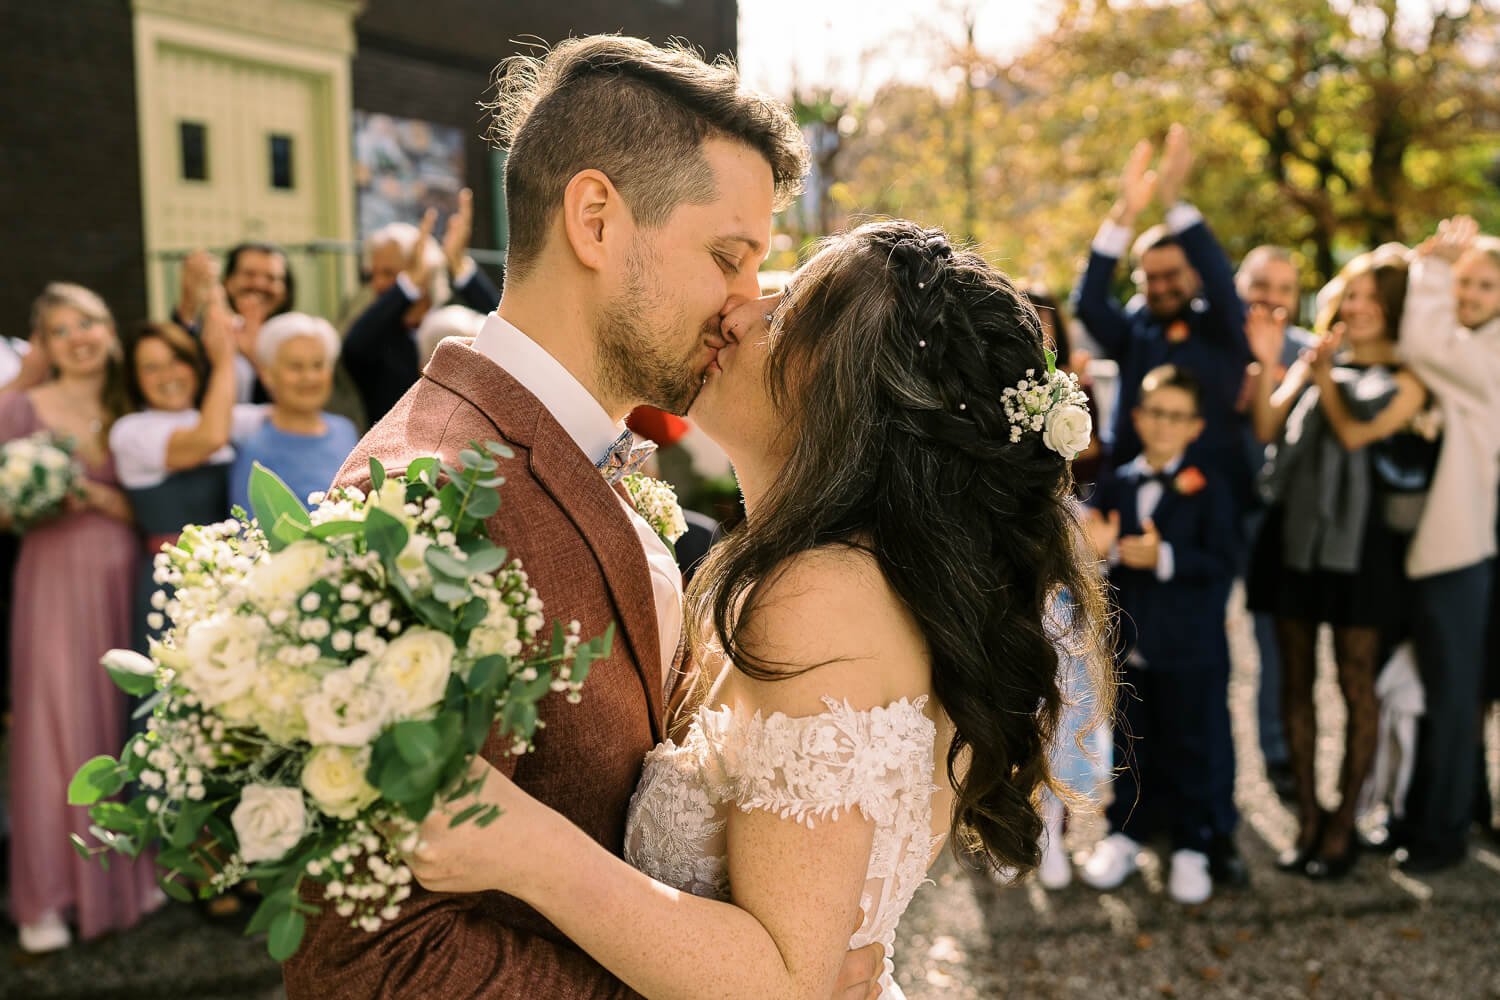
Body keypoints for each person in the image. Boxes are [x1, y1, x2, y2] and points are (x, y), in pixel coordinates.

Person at [282, 35, 897, 999]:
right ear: (597, 221)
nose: (745, 306)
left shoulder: (590, 450)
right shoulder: (425, 504)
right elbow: (364, 960)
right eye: (727, 257)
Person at [404, 219, 1109, 997]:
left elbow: (782, 982)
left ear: (850, 393)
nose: (739, 312)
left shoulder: (819, 599)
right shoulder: (852, 580)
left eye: (786, 313)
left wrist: (527, 849)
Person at [1245, 246, 1428, 880]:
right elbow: (1266, 425)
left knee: (1356, 683)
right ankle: (1308, 820)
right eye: (1353, 293)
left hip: (1362, 545)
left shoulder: (1410, 375)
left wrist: (1322, 378)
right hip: (1293, 534)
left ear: (1395, 308)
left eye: (1374, 297)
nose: (1359, 306)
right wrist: (1273, 362)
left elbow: (1353, 434)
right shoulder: (1317, 357)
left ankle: (1344, 823)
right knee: (1295, 683)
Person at [1, 283, 161, 952]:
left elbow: (151, 507)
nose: (78, 338)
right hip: (52, 582)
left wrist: (92, 495)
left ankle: (124, 877)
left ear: (109, 330)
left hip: (124, 579)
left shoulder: (134, 408)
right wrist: (31, 495)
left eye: (87, 323)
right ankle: (45, 895)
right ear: (44, 344)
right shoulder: (18, 408)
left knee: (116, 722)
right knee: (53, 725)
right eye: (61, 330)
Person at [1078, 365, 1238, 904]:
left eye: (1177, 416)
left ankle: (1193, 844)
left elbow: (1224, 561)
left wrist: (1166, 556)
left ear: (1195, 426)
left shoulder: (1211, 486)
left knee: (1193, 744)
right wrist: (1104, 552)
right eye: (1155, 413)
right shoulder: (1118, 481)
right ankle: (1125, 833)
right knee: (1129, 743)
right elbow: (1095, 549)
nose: (1165, 424)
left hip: (1191, 648)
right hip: (1129, 643)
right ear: (1139, 418)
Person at [1395, 218, 1500, 873]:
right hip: (1469, 543)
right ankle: (1467, 808)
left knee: (1453, 693)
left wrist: (1432, 270)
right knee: (1464, 687)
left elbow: (1422, 341)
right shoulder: (1475, 347)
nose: (1471, 295)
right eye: (1464, 282)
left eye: (1486, 285)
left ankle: (1441, 834)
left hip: (1462, 551)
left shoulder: (1488, 354)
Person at [1072, 125, 1251, 509]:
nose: (1161, 287)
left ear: (1195, 275)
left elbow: (1222, 283)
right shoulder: (1135, 331)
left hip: (1210, 504)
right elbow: (1089, 304)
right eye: (1150, 277)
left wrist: (1172, 201)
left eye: (1172, 275)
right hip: (1128, 496)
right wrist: (1126, 212)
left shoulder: (1221, 327)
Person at [110, 296, 259, 654]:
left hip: (231, 577)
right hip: (171, 584)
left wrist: (249, 350)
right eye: (152, 367)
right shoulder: (131, 432)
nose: (168, 375)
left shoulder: (223, 417)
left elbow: (292, 410)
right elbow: (208, 439)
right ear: (134, 379)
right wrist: (224, 359)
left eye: (177, 360)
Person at [1235, 245, 1314, 806]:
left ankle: (1278, 752)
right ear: (1241, 287)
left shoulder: (1310, 351)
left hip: (1278, 519)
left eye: (1285, 288)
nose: (1273, 298)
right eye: (1262, 285)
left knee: (1275, 645)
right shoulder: (1218, 342)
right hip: (1218, 511)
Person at [343, 189, 502, 424]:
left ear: (425, 270)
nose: (378, 284)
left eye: (389, 273)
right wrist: (407, 286)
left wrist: (459, 266)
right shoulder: (379, 334)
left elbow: (506, 334)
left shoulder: (455, 319)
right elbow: (353, 349)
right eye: (372, 274)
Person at [227, 312, 360, 511]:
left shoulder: (345, 430)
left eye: (318, 365)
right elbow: (247, 525)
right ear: (267, 374)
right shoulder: (257, 450)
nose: (309, 377)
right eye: (296, 367)